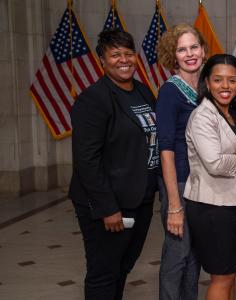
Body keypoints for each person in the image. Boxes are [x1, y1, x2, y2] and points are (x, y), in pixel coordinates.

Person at [69, 29, 158, 300]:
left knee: (122, 266)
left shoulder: (142, 91)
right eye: (115, 54)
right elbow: (87, 160)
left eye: (128, 53)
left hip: (140, 198)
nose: (124, 60)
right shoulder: (93, 99)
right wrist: (108, 208)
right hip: (109, 204)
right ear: (102, 60)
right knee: (103, 273)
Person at [184, 54, 236, 300]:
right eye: (218, 80)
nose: (225, 86)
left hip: (232, 204)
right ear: (207, 83)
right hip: (212, 208)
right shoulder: (202, 116)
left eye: (232, 80)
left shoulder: (228, 113)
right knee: (221, 278)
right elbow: (216, 163)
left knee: (230, 275)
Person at [154, 23, 206, 300]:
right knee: (177, 255)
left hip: (203, 184)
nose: (189, 54)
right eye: (182, 49)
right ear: (173, 56)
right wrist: (174, 205)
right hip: (179, 182)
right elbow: (166, 150)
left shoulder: (205, 86)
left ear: (203, 49)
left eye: (193, 47)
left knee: (194, 255)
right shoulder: (170, 92)